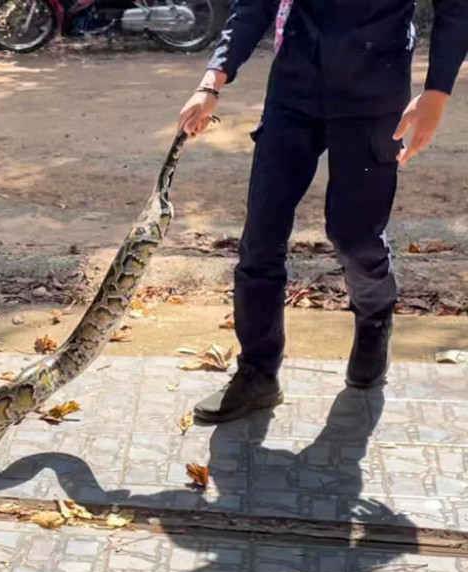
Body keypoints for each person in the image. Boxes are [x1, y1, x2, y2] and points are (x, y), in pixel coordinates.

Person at [179, 0, 468, 423]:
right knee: (261, 236)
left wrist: (437, 92)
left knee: (354, 236)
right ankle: (257, 372)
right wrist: (212, 81)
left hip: (374, 91)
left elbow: (456, 8)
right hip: (295, 86)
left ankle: (373, 316)